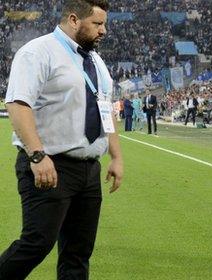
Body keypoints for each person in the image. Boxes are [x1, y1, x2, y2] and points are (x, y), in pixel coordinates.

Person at [0, 0, 124, 279]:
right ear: (73, 20)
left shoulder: (95, 60)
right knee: (36, 244)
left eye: (105, 24)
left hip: (88, 170)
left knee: (78, 253)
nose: (104, 30)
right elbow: (18, 104)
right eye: (97, 24)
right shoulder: (38, 51)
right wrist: (37, 155)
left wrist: (116, 156)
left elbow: (105, 108)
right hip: (50, 165)